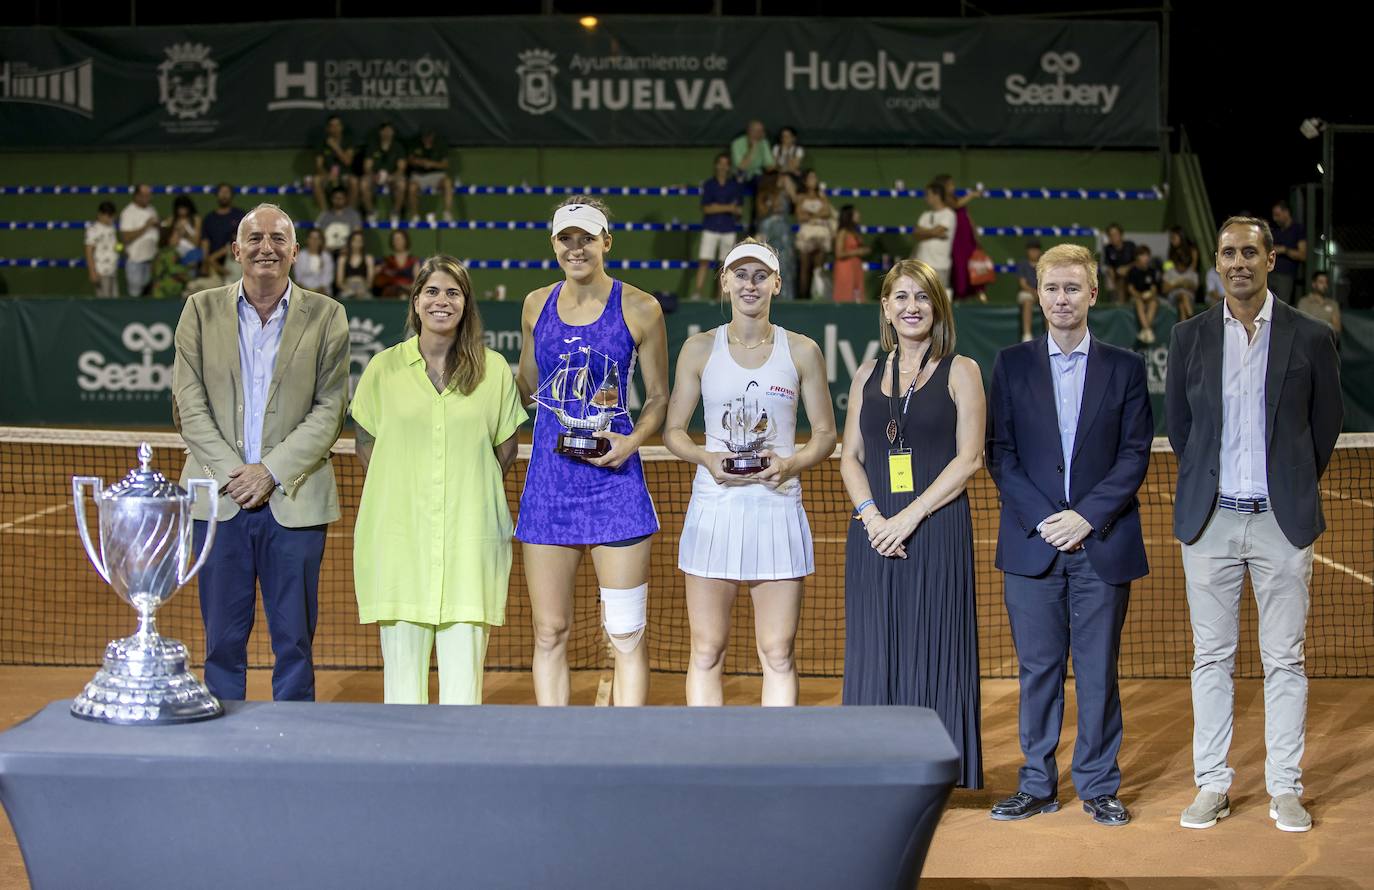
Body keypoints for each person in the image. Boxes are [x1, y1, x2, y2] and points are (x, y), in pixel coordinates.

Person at [1167, 216, 1342, 834]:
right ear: (1216, 262)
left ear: (1270, 260)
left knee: (1285, 660)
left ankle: (1284, 788)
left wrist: (1290, 483)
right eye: (1228, 253)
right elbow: (1182, 429)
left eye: (1250, 252)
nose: (1238, 262)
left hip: (1281, 522)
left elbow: (1325, 428)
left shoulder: (1312, 336)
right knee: (1210, 658)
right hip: (1210, 522)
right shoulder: (1188, 337)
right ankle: (1212, 785)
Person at [986, 244, 1153, 827]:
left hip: (1101, 543)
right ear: (1038, 293)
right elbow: (1000, 454)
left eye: (1073, 289)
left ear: (1093, 294)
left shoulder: (1127, 367)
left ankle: (1100, 784)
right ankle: (1037, 784)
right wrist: (1045, 521)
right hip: (1033, 546)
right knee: (1037, 671)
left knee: (1099, 671)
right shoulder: (1010, 365)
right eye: (1052, 289)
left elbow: (1134, 456)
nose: (1062, 299)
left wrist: (1085, 518)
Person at [171, 203, 350, 702]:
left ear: (295, 251)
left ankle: (291, 740)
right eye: (254, 238)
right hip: (218, 500)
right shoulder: (199, 310)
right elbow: (189, 404)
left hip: (295, 500)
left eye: (277, 238)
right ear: (236, 250)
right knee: (222, 640)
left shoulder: (329, 315)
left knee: (294, 640)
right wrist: (236, 473)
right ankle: (222, 740)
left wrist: (269, 472)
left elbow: (330, 409)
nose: (265, 247)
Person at [663, 239, 837, 707]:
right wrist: (706, 458)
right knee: (706, 649)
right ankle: (707, 762)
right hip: (713, 510)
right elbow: (674, 431)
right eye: (740, 274)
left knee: (778, 653)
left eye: (761, 275)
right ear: (725, 281)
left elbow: (824, 433)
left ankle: (773, 764)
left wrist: (792, 462)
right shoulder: (698, 349)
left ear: (777, 284)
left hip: (777, 508)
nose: (750, 284)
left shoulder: (803, 351)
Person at [514, 198, 669, 707]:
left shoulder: (641, 307)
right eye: (566, 239)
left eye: (586, 238)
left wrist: (631, 440)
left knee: (626, 635)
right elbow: (527, 385)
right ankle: (553, 752)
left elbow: (659, 397)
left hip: (615, 484)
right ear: (554, 244)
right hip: (548, 488)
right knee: (549, 631)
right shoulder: (535, 304)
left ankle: (624, 756)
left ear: (607, 241)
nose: (576, 248)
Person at [352, 256, 526, 705]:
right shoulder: (382, 370)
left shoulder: (494, 371)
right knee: (402, 695)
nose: (442, 301)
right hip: (400, 548)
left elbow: (504, 450)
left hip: (469, 549)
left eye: (453, 292)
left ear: (466, 304)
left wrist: (461, 484)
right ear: (415, 302)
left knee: (463, 699)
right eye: (432, 291)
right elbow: (367, 444)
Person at [840, 258, 986, 789]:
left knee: (934, 641)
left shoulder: (961, 370)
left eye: (921, 297)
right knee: (877, 643)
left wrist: (909, 517)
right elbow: (849, 457)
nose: (911, 307)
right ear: (885, 308)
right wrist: (874, 517)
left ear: (937, 306)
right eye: (900, 297)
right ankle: (872, 764)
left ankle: (936, 770)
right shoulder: (866, 375)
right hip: (875, 537)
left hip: (935, 532)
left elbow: (970, 459)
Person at [691, 152, 744, 301]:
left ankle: (722, 296)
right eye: (720, 163)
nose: (722, 166)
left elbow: (739, 210)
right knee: (704, 260)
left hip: (728, 229)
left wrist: (718, 206)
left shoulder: (735, 186)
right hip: (710, 227)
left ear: (728, 167)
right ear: (716, 165)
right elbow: (707, 209)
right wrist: (728, 207)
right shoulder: (709, 184)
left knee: (725, 265)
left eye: (725, 163)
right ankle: (697, 292)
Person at [932, 173, 986, 302]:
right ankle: (959, 295)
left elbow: (965, 214)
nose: (953, 187)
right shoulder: (945, 199)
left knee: (971, 263)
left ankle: (977, 292)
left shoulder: (954, 197)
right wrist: (972, 195)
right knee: (959, 264)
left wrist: (974, 231)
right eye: (950, 184)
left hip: (966, 235)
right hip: (957, 237)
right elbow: (956, 205)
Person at [755, 173, 798, 302]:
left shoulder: (785, 192)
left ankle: (785, 296)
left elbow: (795, 201)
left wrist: (788, 186)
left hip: (783, 231)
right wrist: (772, 205)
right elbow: (761, 211)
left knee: (785, 262)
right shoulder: (763, 195)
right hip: (768, 229)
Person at [794, 169, 834, 300]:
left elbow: (827, 212)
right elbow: (800, 215)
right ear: (805, 181)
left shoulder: (822, 196)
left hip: (821, 233)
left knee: (818, 268)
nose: (813, 180)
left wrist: (811, 215)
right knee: (805, 267)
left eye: (815, 177)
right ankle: (803, 297)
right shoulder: (801, 197)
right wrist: (817, 215)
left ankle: (818, 295)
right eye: (810, 178)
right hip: (806, 233)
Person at [361, 121, 408, 225]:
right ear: (380, 132)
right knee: (364, 183)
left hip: (392, 177)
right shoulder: (373, 146)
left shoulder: (398, 147)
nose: (387, 133)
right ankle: (371, 212)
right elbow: (367, 166)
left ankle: (395, 213)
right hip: (375, 177)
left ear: (393, 133)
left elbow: (401, 167)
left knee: (402, 183)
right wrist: (373, 176)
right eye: (385, 131)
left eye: (389, 131)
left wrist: (392, 177)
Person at [913, 179, 955, 289]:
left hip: (940, 265)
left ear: (937, 196)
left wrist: (925, 232)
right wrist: (933, 233)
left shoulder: (949, 214)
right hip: (922, 264)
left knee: (938, 301)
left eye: (928, 195)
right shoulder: (925, 215)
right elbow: (916, 234)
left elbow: (938, 231)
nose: (925, 198)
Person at [406, 128, 456, 224]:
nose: (426, 139)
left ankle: (447, 212)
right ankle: (415, 215)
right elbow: (410, 160)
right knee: (412, 187)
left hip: (436, 175)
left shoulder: (440, 145)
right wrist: (421, 162)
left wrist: (432, 164)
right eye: (425, 136)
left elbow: (445, 164)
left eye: (429, 136)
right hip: (419, 175)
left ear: (433, 136)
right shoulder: (415, 144)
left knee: (448, 182)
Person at [119, 184, 159, 297]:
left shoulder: (152, 209)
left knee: (149, 295)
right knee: (136, 296)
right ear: (137, 196)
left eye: (149, 195)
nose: (149, 198)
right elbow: (125, 237)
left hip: (151, 260)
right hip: (136, 261)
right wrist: (146, 226)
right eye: (145, 195)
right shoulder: (128, 213)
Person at [200, 183, 246, 284]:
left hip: (236, 261)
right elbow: (205, 242)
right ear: (217, 195)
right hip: (215, 263)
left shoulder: (240, 215)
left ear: (232, 195)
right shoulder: (209, 219)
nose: (224, 195)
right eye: (221, 192)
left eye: (227, 192)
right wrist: (205, 263)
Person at [313, 115, 358, 212]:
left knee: (354, 181)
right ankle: (325, 213)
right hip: (328, 175)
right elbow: (319, 165)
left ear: (341, 127)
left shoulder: (348, 140)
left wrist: (335, 147)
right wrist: (326, 175)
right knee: (316, 180)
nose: (335, 129)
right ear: (328, 129)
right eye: (332, 126)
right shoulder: (321, 142)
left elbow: (347, 161)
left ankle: (349, 212)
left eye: (337, 125)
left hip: (345, 174)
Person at [1269, 201, 1307, 303]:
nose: (1275, 218)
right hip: (1270, 273)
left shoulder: (1297, 229)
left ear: (1286, 212)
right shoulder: (1275, 230)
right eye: (1274, 215)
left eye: (1277, 215)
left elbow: (1302, 255)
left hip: (1285, 276)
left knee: (1280, 306)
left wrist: (1285, 250)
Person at [831, 204, 868, 303]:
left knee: (856, 295)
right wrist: (857, 251)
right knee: (846, 295)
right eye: (855, 213)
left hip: (856, 267)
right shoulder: (842, 232)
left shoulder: (854, 232)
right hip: (846, 268)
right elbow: (839, 253)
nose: (858, 215)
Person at [1127, 245, 1162, 344]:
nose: (1145, 258)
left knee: (1154, 303)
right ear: (1137, 257)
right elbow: (1131, 289)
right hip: (1136, 298)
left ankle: (1145, 331)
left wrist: (1150, 295)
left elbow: (1154, 289)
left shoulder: (1152, 271)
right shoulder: (1133, 271)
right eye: (1142, 255)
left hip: (1149, 297)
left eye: (1147, 255)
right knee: (1139, 302)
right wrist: (1140, 296)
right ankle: (1148, 330)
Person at [84, 201, 119, 297]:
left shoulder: (112, 227)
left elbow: (113, 246)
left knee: (115, 301)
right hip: (101, 272)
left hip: (112, 270)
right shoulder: (93, 230)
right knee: (105, 303)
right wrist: (92, 272)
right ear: (100, 215)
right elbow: (89, 251)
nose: (111, 219)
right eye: (109, 216)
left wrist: (119, 248)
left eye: (112, 216)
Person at [1164, 226, 1199, 321]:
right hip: (1175, 287)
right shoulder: (1172, 251)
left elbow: (1193, 269)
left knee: (1181, 305)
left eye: (1174, 238)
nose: (1172, 241)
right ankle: (1193, 320)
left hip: (1187, 288)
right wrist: (1176, 279)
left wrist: (1186, 279)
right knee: (1182, 296)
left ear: (1181, 236)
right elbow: (1168, 267)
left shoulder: (1191, 249)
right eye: (1171, 238)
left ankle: (1185, 331)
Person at [316, 186, 364, 254]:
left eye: (341, 198)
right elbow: (319, 235)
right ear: (331, 199)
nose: (338, 200)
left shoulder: (353, 215)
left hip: (348, 252)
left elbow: (357, 235)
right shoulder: (324, 215)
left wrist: (348, 248)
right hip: (327, 251)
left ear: (346, 199)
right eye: (336, 198)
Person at [1297, 271, 1341, 342]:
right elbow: (1303, 325)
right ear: (1314, 284)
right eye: (1321, 282)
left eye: (1326, 282)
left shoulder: (1333, 304)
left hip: (1327, 342)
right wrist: (1327, 326)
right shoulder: (1304, 302)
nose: (1324, 285)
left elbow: (1336, 328)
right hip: (1309, 342)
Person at [149, 224, 191, 300]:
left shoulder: (161, 252)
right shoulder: (170, 254)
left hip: (161, 293)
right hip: (167, 294)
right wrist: (190, 280)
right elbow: (175, 271)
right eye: (177, 236)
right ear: (169, 238)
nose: (179, 238)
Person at [374, 228, 419, 298]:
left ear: (405, 240)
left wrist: (406, 287)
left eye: (399, 239)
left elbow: (417, 283)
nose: (397, 241)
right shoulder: (386, 261)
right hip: (390, 293)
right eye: (395, 239)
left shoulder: (414, 261)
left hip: (407, 292)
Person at [335, 229, 376, 300]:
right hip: (347, 288)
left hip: (363, 288)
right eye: (355, 240)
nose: (357, 243)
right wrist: (348, 290)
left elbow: (370, 282)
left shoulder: (368, 258)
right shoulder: (342, 259)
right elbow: (339, 282)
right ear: (350, 242)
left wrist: (363, 289)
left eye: (360, 241)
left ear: (363, 243)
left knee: (368, 298)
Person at [293, 228, 335, 296]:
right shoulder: (301, 256)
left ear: (321, 241)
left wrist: (318, 292)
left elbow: (328, 278)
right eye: (312, 238)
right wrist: (307, 291)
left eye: (317, 238)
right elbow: (298, 278)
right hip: (304, 291)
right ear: (307, 240)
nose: (314, 241)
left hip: (323, 292)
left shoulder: (326, 256)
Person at [1100, 224, 1135, 304]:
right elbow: (1109, 267)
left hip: (1131, 273)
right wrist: (1114, 279)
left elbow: (1137, 262)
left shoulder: (1130, 245)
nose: (1113, 237)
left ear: (1121, 235)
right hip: (1116, 276)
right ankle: (1116, 305)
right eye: (1110, 235)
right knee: (1112, 282)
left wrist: (1127, 268)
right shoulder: (1108, 249)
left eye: (1115, 234)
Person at [1015, 240, 1043, 342]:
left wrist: (1040, 292)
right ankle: (1027, 335)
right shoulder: (1023, 264)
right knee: (1027, 300)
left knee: (1049, 301)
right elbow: (1023, 284)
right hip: (1027, 292)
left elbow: (1047, 281)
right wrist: (1033, 292)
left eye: (1036, 250)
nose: (1033, 252)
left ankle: (1052, 335)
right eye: (1031, 250)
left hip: (1042, 291)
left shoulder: (1044, 264)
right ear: (1027, 251)